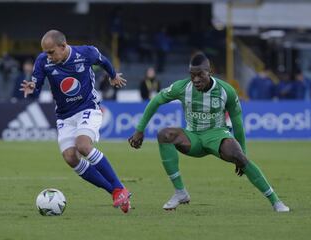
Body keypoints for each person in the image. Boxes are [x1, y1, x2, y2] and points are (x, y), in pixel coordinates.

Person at [128, 53, 289, 212]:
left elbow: (237, 124)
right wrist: (139, 130)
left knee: (240, 157)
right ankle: (180, 192)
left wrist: (243, 153)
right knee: (164, 134)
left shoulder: (227, 91)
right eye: (192, 75)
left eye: (200, 75)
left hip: (217, 135)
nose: (196, 79)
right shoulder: (182, 87)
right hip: (193, 138)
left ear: (209, 72)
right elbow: (155, 101)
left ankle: (276, 201)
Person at [19, 30, 131, 213]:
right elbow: (37, 85)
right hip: (64, 116)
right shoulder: (42, 60)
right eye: (46, 52)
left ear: (63, 46)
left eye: (51, 52)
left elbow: (103, 61)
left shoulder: (86, 53)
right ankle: (115, 191)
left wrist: (113, 76)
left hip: (88, 108)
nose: (48, 56)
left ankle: (119, 187)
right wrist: (32, 86)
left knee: (83, 146)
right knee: (70, 157)